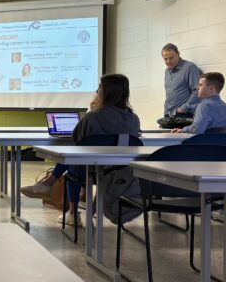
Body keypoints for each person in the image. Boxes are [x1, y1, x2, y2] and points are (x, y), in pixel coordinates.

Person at [21, 74, 141, 218]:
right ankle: (49, 184)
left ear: (107, 92)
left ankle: (71, 211)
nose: (97, 91)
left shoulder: (93, 117)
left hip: (89, 171)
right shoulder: (134, 119)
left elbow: (77, 140)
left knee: (73, 162)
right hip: (123, 171)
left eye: (100, 87)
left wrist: (95, 109)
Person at [162, 43, 201, 117]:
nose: (168, 61)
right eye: (165, 59)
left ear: (178, 54)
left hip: (185, 114)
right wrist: (166, 111)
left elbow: (197, 91)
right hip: (170, 115)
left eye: (171, 58)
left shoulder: (190, 67)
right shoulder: (167, 71)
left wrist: (183, 109)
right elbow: (169, 94)